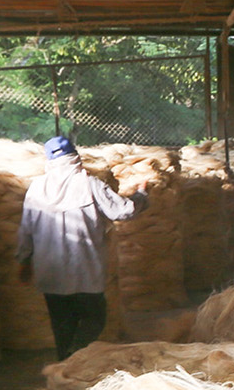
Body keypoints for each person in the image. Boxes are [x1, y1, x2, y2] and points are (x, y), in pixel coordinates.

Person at [15, 136, 146, 360]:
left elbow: (26, 229)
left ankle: (65, 366)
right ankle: (77, 354)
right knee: (95, 318)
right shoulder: (89, 184)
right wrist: (141, 196)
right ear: (75, 157)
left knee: (62, 323)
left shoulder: (36, 188)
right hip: (83, 268)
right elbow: (121, 211)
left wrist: (24, 261)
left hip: (50, 271)